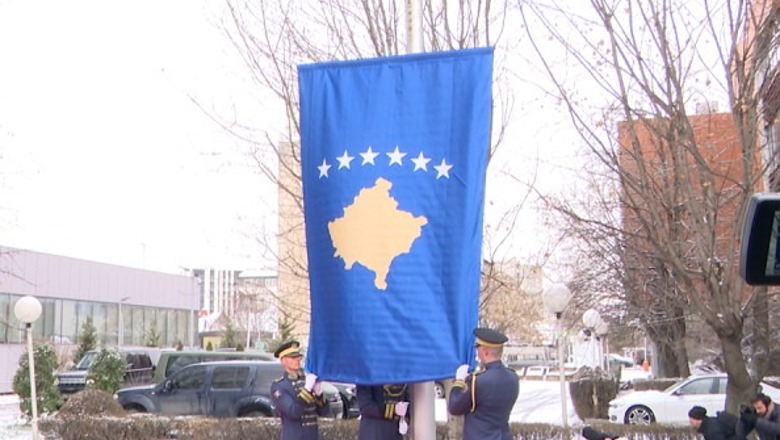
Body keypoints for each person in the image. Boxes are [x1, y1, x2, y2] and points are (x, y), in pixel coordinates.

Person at [448, 327, 519, 440]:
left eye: (478, 347)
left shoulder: (478, 381)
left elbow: (454, 407)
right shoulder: (513, 377)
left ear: (485, 352)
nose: (477, 352)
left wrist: (459, 381)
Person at [270, 341, 330, 440]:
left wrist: (319, 394)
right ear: (283, 361)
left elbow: (324, 412)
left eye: (298, 357)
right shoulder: (279, 386)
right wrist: (307, 390)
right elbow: (293, 412)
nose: (297, 360)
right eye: (293, 358)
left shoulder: (306, 381)